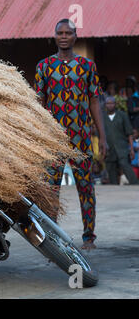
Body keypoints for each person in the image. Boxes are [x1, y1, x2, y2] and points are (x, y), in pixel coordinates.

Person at [34, 19, 107, 250]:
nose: (64, 36)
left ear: (75, 36)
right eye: (60, 33)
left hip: (82, 139)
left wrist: (102, 137)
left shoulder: (87, 67)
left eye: (68, 33)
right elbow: (39, 103)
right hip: (54, 139)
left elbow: (95, 101)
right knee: (51, 190)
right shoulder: (43, 67)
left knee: (86, 187)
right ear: (54, 36)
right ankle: (53, 239)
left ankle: (89, 237)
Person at [104, 96, 138, 185]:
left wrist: (131, 149)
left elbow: (129, 133)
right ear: (105, 105)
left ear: (115, 104)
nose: (110, 105)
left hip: (122, 147)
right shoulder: (102, 117)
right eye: (108, 103)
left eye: (112, 103)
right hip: (109, 148)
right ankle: (114, 188)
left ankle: (135, 184)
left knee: (125, 165)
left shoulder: (122, 115)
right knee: (111, 169)